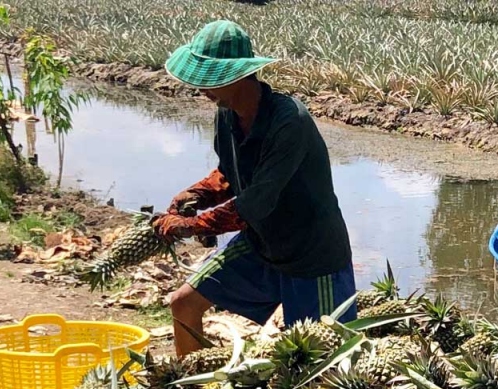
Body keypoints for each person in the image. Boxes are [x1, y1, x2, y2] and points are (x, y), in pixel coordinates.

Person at [152, 20, 355, 356]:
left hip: (311, 256)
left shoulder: (289, 122)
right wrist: (198, 194)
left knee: (319, 360)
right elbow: (231, 173)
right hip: (263, 244)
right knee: (183, 304)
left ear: (238, 75)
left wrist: (192, 226)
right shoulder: (227, 113)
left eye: (210, 78)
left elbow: (256, 202)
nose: (202, 88)